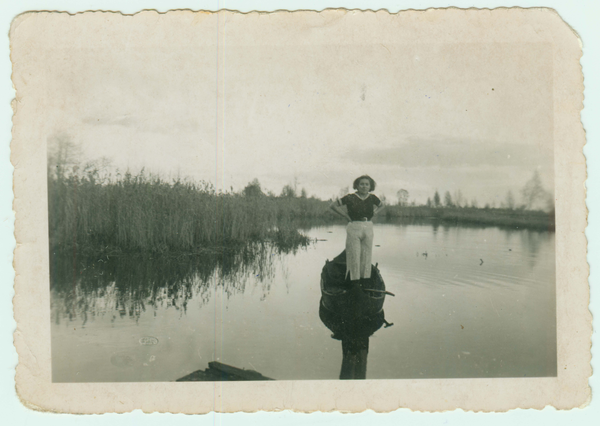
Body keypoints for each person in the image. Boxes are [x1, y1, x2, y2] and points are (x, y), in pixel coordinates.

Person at [329, 175, 385, 283]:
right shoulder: (350, 197)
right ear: (357, 186)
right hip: (354, 226)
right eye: (362, 184)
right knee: (354, 256)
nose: (364, 186)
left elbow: (382, 205)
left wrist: (375, 212)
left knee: (366, 256)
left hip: (368, 226)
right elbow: (333, 205)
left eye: (367, 184)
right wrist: (345, 215)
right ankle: (354, 283)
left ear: (370, 186)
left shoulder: (372, 198)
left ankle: (364, 282)